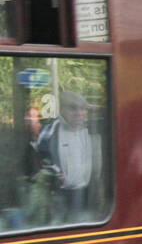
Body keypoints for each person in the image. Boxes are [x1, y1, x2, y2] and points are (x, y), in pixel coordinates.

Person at [32, 90, 103, 223]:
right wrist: (58, 175)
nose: (79, 113)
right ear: (62, 109)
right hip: (61, 195)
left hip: (87, 193)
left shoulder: (92, 129)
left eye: (83, 109)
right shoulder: (51, 129)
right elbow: (41, 154)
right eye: (73, 108)